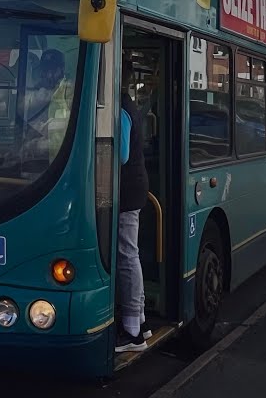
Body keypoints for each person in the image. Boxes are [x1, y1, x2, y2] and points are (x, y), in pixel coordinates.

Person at [116, 58, 151, 353]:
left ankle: (132, 333)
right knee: (131, 254)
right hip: (135, 187)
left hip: (127, 190)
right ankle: (138, 318)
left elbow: (122, 155)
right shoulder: (129, 104)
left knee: (127, 255)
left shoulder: (122, 110)